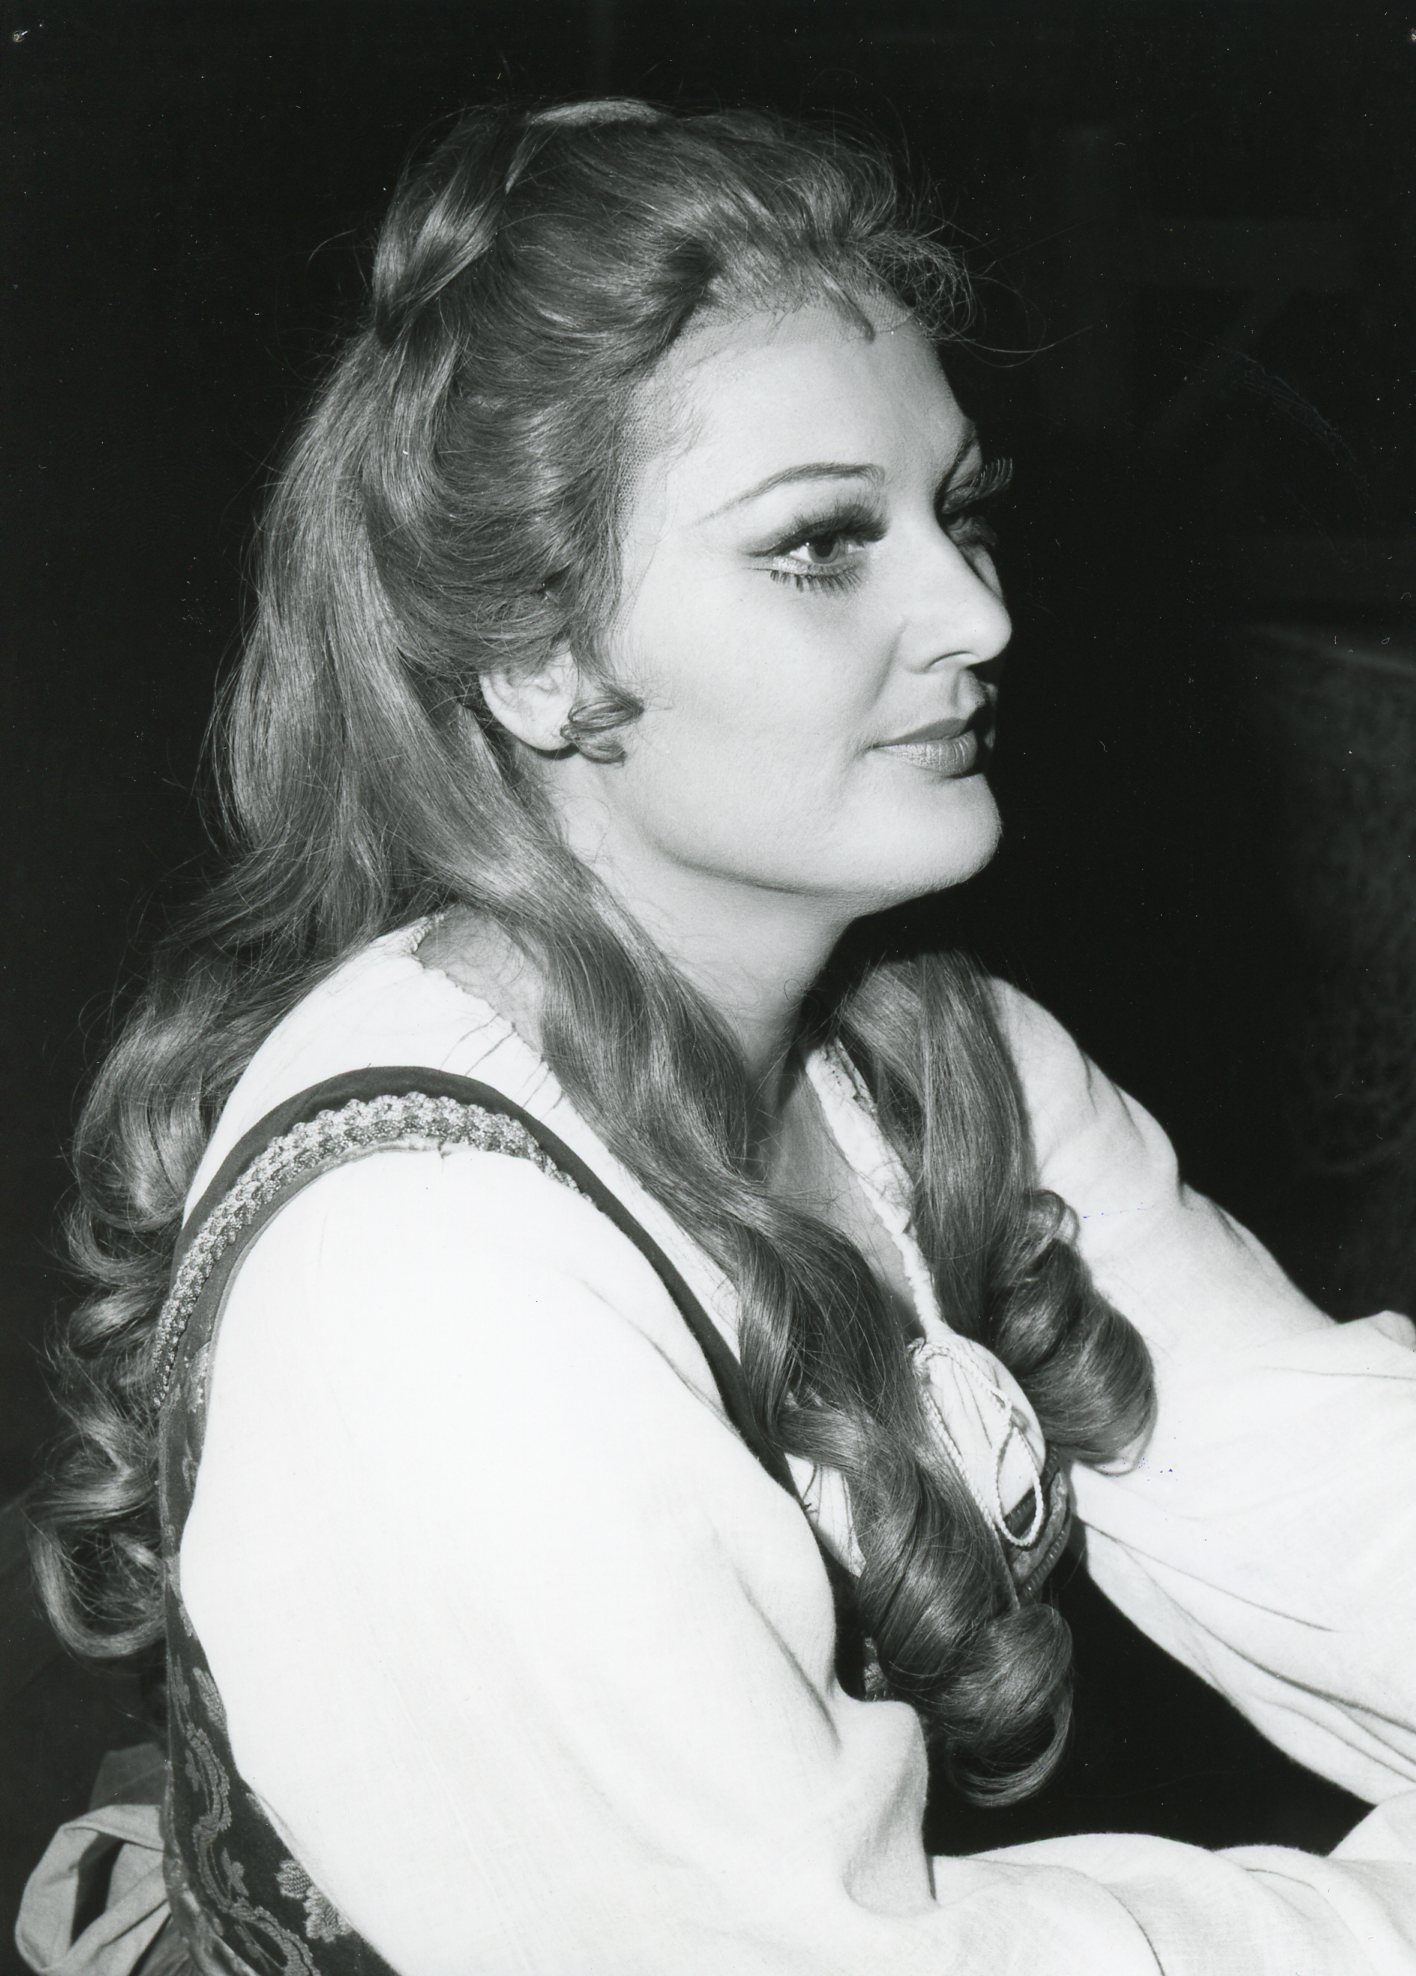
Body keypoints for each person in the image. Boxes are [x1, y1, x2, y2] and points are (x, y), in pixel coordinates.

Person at [17, 97, 1416, 1976]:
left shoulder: (931, 1055)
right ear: (539, 658)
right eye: (823, 545)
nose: (979, 612)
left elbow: (1324, 1479)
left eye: (958, 510)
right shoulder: (424, 1274)